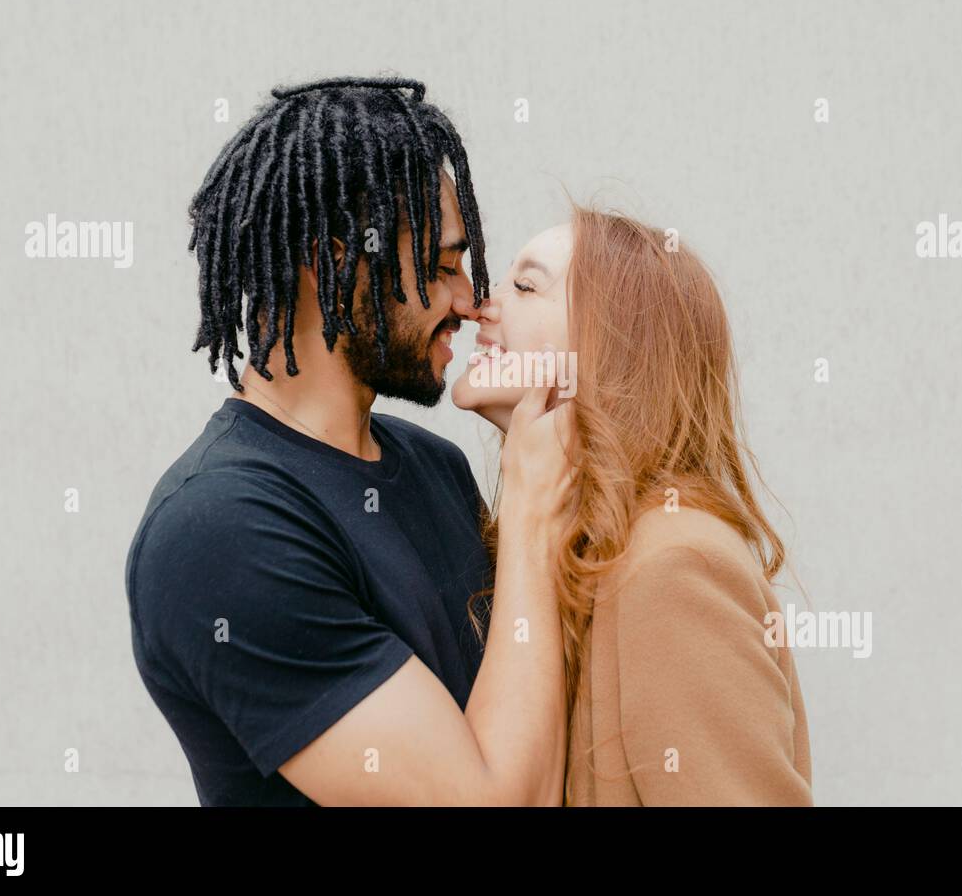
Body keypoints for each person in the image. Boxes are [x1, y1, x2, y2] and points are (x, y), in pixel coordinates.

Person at [125, 77, 573, 806]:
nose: (468, 301)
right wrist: (528, 502)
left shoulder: (436, 468)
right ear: (334, 265)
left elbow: (536, 736)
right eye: (440, 265)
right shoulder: (221, 529)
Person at [451, 205, 814, 805]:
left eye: (524, 285)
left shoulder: (672, 567)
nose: (482, 305)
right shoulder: (582, 551)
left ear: (612, 345)